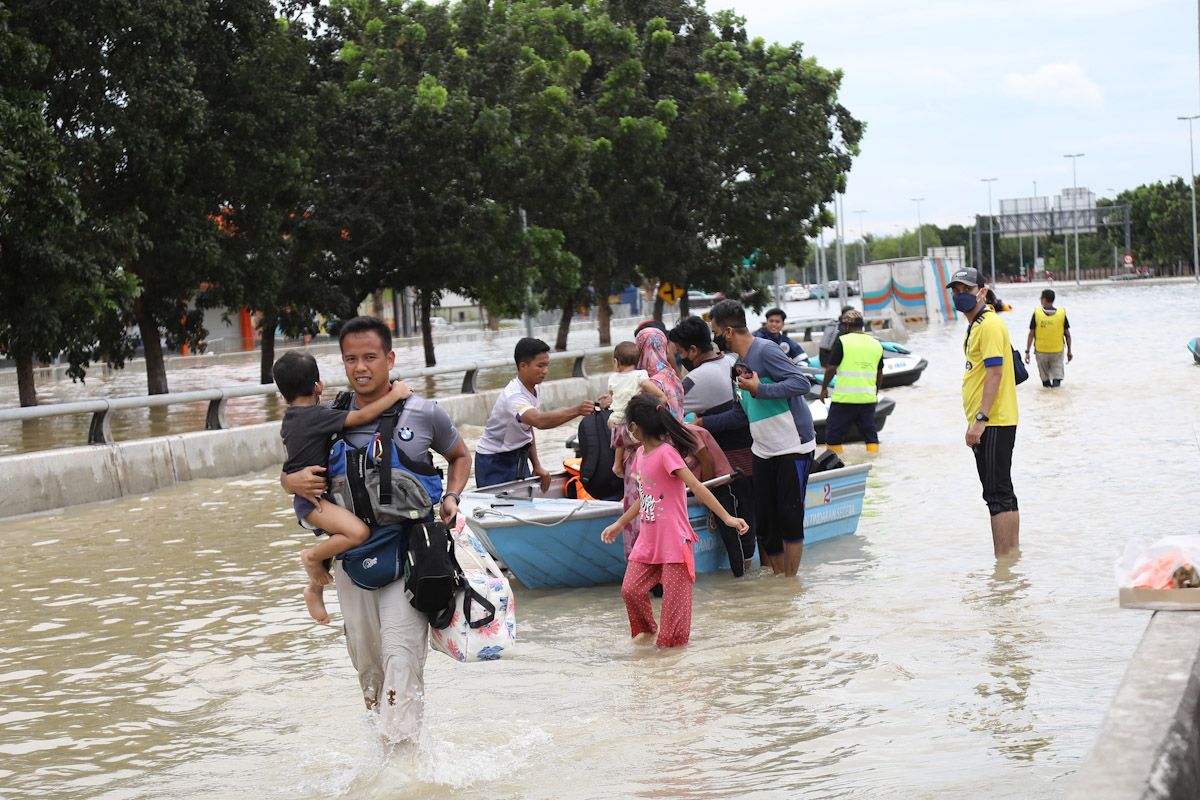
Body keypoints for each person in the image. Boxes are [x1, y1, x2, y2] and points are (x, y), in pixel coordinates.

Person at [280, 316, 471, 744]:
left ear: (389, 358)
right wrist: (288, 482)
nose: (360, 367)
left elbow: (460, 456)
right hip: (353, 564)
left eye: (370, 357)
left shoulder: (424, 413)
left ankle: (404, 773)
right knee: (369, 672)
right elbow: (294, 465)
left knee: (401, 665)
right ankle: (383, 757)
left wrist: (452, 497)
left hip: (409, 559)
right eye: (351, 359)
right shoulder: (328, 416)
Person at [272, 350, 412, 624]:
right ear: (318, 386)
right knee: (357, 532)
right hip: (314, 502)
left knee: (341, 538)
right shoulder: (314, 416)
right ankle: (311, 557)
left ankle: (314, 588)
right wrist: (395, 395)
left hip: (313, 499)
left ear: (281, 394)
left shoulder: (292, 418)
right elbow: (360, 418)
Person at [600, 393, 748, 647]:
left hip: (674, 542)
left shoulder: (667, 453)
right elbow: (644, 496)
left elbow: (696, 486)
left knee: (673, 623)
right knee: (630, 590)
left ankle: (673, 662)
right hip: (648, 542)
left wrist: (727, 517)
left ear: (635, 428)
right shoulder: (640, 457)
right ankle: (647, 633)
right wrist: (620, 523)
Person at [708, 299, 815, 577]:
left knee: (790, 519)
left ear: (728, 331)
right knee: (766, 524)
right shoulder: (738, 366)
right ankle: (778, 584)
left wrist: (759, 388)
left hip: (793, 445)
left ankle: (790, 585)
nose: (714, 337)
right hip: (763, 450)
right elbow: (741, 413)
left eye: (715, 330)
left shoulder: (766, 350)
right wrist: (701, 422)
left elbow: (801, 383)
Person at [668, 315, 757, 576]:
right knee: (750, 520)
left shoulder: (693, 381)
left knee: (736, 532)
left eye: (680, 352)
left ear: (692, 351)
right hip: (753, 455)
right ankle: (754, 583)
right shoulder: (733, 361)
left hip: (726, 468)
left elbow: (670, 417)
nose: (678, 358)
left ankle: (741, 583)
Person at [945, 267, 1020, 557]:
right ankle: (1011, 559)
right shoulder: (979, 324)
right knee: (1003, 491)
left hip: (993, 421)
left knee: (995, 494)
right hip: (997, 419)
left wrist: (980, 419)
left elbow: (995, 373)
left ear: (983, 291)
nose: (960, 296)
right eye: (956, 291)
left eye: (966, 289)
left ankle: (1002, 562)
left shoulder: (988, 324)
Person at [474, 337, 595, 490]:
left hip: (519, 455)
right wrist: (577, 410)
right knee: (497, 511)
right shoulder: (514, 396)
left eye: (547, 365)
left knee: (523, 506)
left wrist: (537, 465)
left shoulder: (535, 387)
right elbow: (539, 421)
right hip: (494, 461)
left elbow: (527, 428)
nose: (545, 371)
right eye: (540, 366)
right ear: (523, 366)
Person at [611, 327, 685, 556]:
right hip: (673, 459)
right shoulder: (674, 378)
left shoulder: (647, 384)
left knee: (645, 516)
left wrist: (616, 432)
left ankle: (645, 573)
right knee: (667, 515)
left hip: (645, 459)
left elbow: (635, 432)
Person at [818, 310, 884, 454]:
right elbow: (879, 373)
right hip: (867, 399)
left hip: (844, 399)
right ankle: (874, 463)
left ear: (846, 326)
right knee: (870, 434)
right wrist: (875, 392)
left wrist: (823, 389)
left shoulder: (843, 341)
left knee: (833, 435)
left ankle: (835, 466)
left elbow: (830, 369)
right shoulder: (876, 344)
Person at [607, 341, 667, 478]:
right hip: (633, 419)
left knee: (620, 439)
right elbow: (651, 388)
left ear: (616, 362)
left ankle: (617, 464)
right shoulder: (640, 375)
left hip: (616, 421)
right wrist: (661, 398)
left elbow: (612, 396)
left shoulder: (612, 378)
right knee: (642, 442)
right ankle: (639, 468)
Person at [1024, 289, 1072, 388]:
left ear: (1044, 300)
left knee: (1045, 381)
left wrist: (1027, 352)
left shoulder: (1037, 314)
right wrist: (1069, 351)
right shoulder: (1061, 314)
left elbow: (1031, 334)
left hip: (1041, 352)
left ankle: (1047, 398)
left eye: (1041, 298)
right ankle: (1056, 399)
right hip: (1057, 351)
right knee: (1057, 378)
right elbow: (1067, 334)